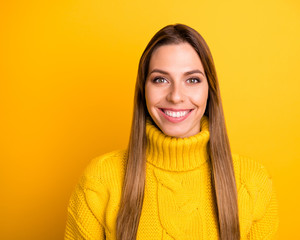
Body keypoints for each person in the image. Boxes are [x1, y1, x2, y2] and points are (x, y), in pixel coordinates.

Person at [65, 23, 279, 240]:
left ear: (209, 91)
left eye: (192, 80)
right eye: (161, 79)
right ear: (143, 90)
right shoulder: (100, 180)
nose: (176, 96)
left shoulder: (253, 183)